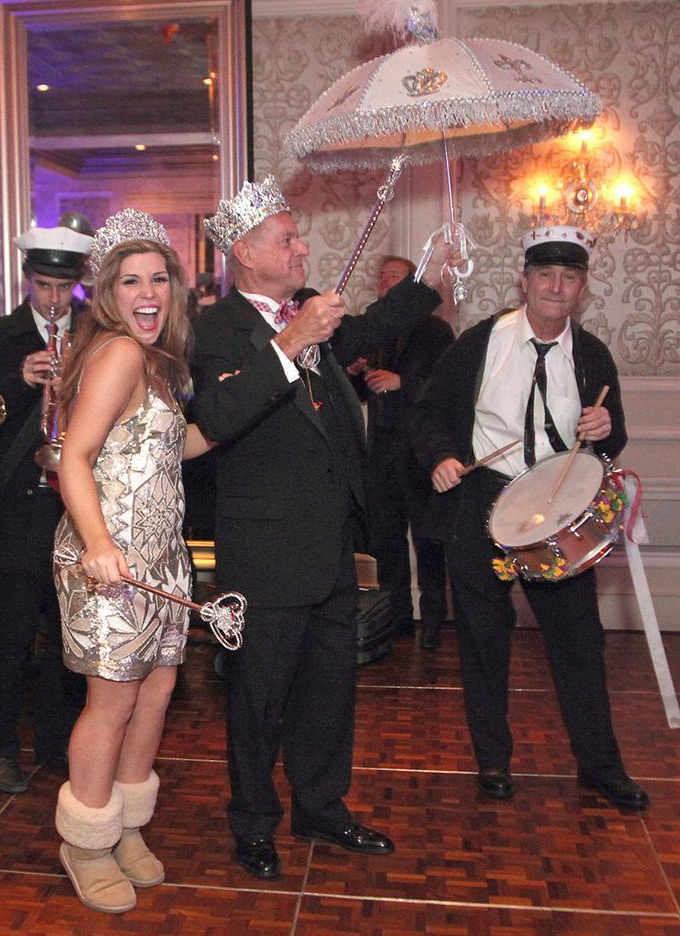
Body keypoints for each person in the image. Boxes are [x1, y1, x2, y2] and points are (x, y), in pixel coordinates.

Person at [189, 175, 442, 881]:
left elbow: (366, 333)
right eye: (287, 239)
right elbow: (218, 416)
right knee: (259, 695)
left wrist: (428, 277)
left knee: (331, 689)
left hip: (332, 546)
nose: (303, 248)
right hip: (265, 552)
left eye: (299, 236)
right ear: (243, 252)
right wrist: (287, 343)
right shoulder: (212, 329)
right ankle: (253, 821)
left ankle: (323, 805)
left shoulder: (311, 316)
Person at [415, 224, 647, 810]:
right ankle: (493, 761)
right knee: (483, 640)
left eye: (569, 278)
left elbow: (611, 434)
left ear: (582, 289)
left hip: (559, 511)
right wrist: (442, 456)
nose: (555, 286)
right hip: (485, 506)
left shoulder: (592, 356)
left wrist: (605, 430)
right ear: (524, 281)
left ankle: (600, 767)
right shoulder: (480, 343)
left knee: (578, 642)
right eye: (545, 275)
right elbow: (428, 413)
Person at [49, 210, 212, 914]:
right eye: (130, 282)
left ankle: (125, 827)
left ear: (173, 290)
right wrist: (98, 545)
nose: (147, 294)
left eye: (158, 280)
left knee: (156, 693)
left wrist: (261, 394)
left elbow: (164, 453)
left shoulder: (160, 363)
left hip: (162, 560)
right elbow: (73, 458)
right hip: (106, 561)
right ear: (109, 296)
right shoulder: (117, 352)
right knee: (112, 701)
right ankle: (85, 840)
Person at [0, 219, 91, 794]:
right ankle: (1, 748)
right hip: (18, 506)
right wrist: (19, 383)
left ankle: (57, 744)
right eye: (44, 287)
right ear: (27, 280)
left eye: (64, 288)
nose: (55, 300)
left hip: (76, 503)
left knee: (69, 636)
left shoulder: (94, 331)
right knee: (10, 636)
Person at [357, 255, 456, 651]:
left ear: (411, 284)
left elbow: (445, 388)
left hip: (421, 452)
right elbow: (368, 392)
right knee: (386, 540)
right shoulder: (377, 332)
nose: (383, 283)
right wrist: (356, 374)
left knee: (428, 540)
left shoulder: (437, 330)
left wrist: (402, 381)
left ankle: (433, 619)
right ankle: (395, 616)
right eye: (380, 277)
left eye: (392, 277)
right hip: (381, 450)